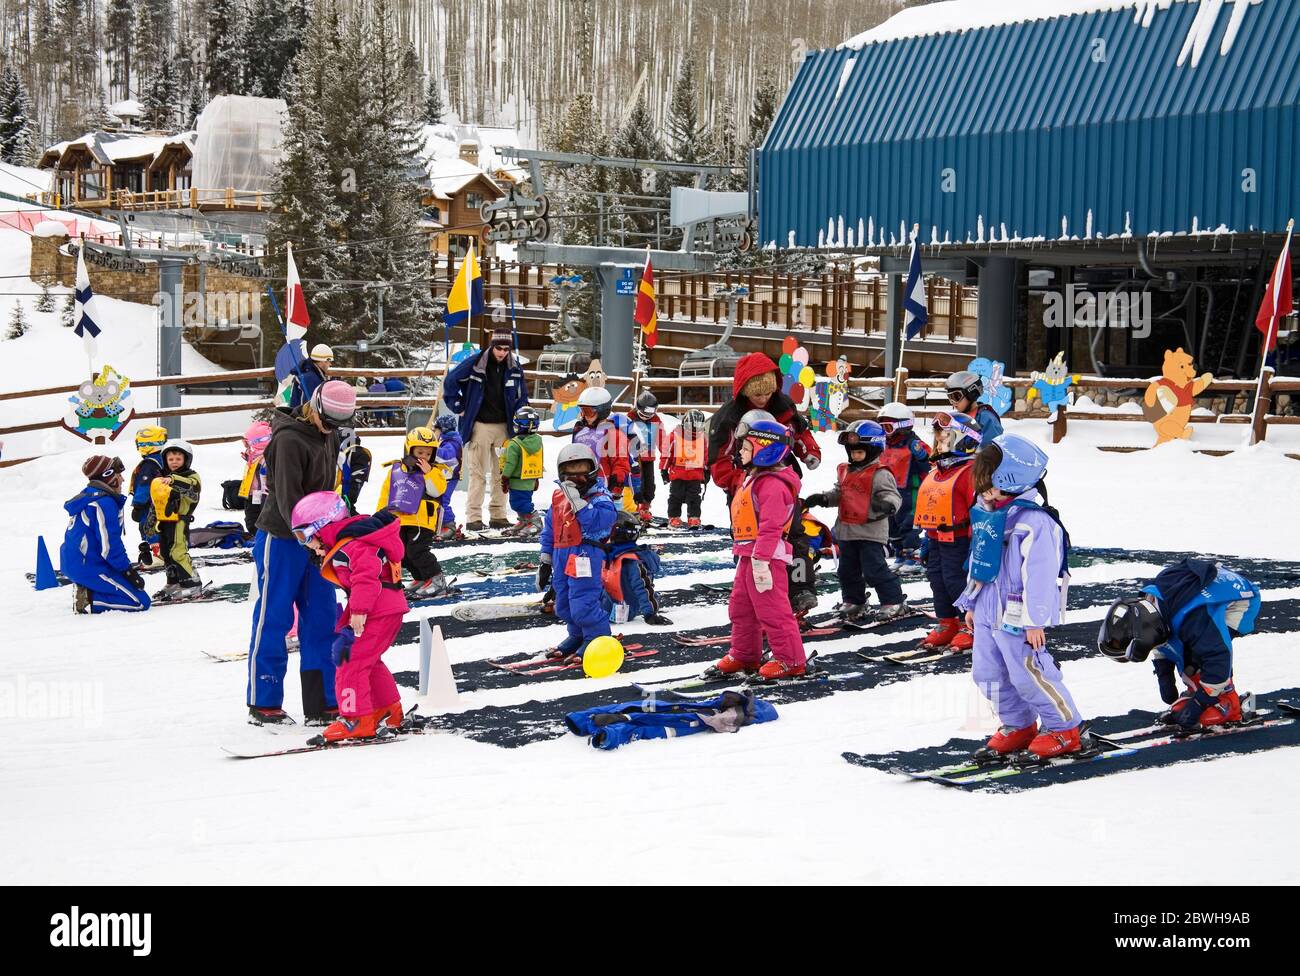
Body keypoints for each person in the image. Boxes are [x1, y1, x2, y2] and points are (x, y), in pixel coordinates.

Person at [958, 434, 1083, 760]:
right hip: (987, 611)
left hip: (1018, 615)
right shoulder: (989, 514)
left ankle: (1064, 727)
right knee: (987, 674)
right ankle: (1019, 724)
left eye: (990, 484)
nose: (984, 492)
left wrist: (1035, 619)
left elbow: (1040, 576)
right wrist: (971, 602)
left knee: (1029, 672)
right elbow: (978, 562)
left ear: (1011, 479)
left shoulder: (1035, 523)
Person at [246, 380, 357, 726]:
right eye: (329, 422)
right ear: (315, 408)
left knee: (322, 618)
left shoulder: (330, 434)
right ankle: (264, 701)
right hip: (283, 538)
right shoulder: (289, 440)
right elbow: (289, 497)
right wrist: (310, 538)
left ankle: (321, 701)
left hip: (319, 539)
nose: (333, 430)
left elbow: (326, 489)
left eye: (340, 425)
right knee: (274, 617)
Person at [289, 492, 409, 743]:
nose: (305, 544)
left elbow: (367, 577)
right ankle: (387, 710)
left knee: (348, 661)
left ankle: (356, 719)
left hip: (376, 610)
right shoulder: (350, 541)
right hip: (386, 608)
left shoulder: (352, 545)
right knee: (368, 660)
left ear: (322, 526)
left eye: (304, 536)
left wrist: (359, 610)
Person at [1098, 559, 1260, 729]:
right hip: (1203, 593)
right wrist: (1164, 672)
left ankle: (1229, 703)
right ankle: (1204, 691)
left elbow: (1218, 656)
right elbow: (1158, 638)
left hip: (1240, 601)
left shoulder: (1192, 618)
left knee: (1199, 655)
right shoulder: (1148, 605)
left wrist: (1199, 703)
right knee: (1185, 648)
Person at [710, 419, 807, 681]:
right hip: (747, 555)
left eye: (746, 447)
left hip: (766, 557)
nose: (740, 452)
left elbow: (771, 526)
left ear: (765, 450)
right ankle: (744, 654)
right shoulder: (754, 478)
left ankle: (791, 660)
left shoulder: (773, 484)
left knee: (773, 609)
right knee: (741, 607)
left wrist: (762, 560)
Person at [804, 419, 908, 623]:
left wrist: (887, 505)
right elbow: (839, 494)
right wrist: (824, 499)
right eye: (852, 452)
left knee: (874, 570)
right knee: (846, 570)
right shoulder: (846, 471)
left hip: (870, 532)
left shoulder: (880, 473)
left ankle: (893, 600)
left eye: (860, 452)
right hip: (847, 531)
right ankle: (854, 600)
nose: (855, 456)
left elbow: (893, 496)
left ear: (873, 450)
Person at [537, 444, 619, 663]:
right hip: (562, 556)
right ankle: (577, 636)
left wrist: (579, 504)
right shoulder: (558, 498)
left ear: (592, 469)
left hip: (585, 555)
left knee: (583, 603)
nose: (576, 476)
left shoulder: (600, 498)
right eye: (570, 470)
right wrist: (545, 560)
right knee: (563, 603)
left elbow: (600, 524)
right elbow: (550, 529)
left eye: (581, 468)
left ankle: (597, 639)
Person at [442, 327, 529, 530]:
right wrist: (459, 406)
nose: (502, 353)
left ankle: (498, 514)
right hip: (480, 425)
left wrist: (521, 417)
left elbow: (522, 395)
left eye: (506, 349)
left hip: (504, 427)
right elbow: (450, 381)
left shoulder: (515, 367)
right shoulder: (475, 363)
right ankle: (474, 517)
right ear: (492, 346)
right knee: (477, 473)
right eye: (499, 348)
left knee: (503, 473)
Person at [708, 352, 820, 500]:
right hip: (744, 479)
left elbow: (797, 431)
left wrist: (809, 451)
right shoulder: (730, 417)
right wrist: (736, 480)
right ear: (746, 391)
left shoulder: (782, 406)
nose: (763, 399)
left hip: (780, 473)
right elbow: (720, 456)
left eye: (768, 393)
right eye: (757, 395)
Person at [914, 411, 981, 651]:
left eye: (946, 436)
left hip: (960, 540)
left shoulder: (970, 472)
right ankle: (947, 621)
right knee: (937, 581)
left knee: (957, 582)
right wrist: (925, 542)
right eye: (938, 436)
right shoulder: (937, 472)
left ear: (965, 440)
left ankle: (969, 623)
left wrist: (977, 545)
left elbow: (979, 510)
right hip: (934, 538)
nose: (939, 440)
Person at [61, 455, 150, 614]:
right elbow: (109, 547)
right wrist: (127, 571)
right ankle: (89, 598)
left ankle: (88, 588)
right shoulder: (103, 503)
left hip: (80, 562)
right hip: (88, 566)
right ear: (108, 477)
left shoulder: (92, 494)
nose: (122, 480)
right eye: (119, 475)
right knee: (140, 602)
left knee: (135, 592)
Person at [377, 426, 455, 598]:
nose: (424, 457)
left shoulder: (435, 471)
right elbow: (387, 493)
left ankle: (436, 579)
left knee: (417, 551)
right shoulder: (397, 470)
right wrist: (380, 517)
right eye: (420, 452)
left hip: (422, 521)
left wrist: (429, 474)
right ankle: (421, 578)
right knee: (402, 554)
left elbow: (437, 491)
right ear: (409, 450)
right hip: (401, 520)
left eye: (428, 454)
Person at [877, 402, 931, 568]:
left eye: (888, 427)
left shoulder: (914, 444)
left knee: (908, 525)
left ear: (902, 426)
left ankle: (913, 556)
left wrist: (921, 456)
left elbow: (930, 466)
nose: (884, 432)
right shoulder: (883, 445)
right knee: (891, 526)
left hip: (911, 493)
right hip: (890, 493)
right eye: (882, 427)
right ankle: (900, 555)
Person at [150, 439, 203, 599]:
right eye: (171, 459)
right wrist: (151, 519)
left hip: (180, 520)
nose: (174, 462)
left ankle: (192, 584)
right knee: (166, 552)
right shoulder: (163, 477)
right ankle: (173, 581)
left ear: (186, 460)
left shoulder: (191, 476)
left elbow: (194, 486)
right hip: (165, 521)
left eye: (178, 459)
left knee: (178, 551)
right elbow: (158, 500)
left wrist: (173, 480)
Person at [600, 512, 672, 626]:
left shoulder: (631, 561)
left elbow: (643, 587)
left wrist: (650, 614)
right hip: (608, 602)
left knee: (581, 607)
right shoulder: (611, 555)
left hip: (620, 609)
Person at [571, 386, 632, 511]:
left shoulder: (613, 434)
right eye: (582, 411)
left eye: (588, 412)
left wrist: (616, 486)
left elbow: (620, 463)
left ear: (602, 411)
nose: (585, 416)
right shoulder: (580, 431)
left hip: (603, 487)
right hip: (580, 483)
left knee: (603, 517)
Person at [499, 405, 544, 537]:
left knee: (519, 503)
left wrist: (505, 477)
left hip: (517, 480)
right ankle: (524, 521)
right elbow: (537, 460)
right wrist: (536, 478)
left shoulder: (514, 443)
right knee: (524, 500)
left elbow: (511, 462)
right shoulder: (538, 441)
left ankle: (535, 521)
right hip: (529, 479)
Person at [661, 409, 708, 528]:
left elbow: (706, 456)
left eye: (698, 426)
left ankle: (694, 517)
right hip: (678, 474)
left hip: (695, 475)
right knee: (675, 497)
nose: (694, 429)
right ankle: (674, 517)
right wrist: (664, 469)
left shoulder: (702, 438)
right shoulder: (676, 435)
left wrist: (707, 470)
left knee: (694, 498)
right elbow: (667, 453)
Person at [128, 425, 168, 567]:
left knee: (149, 527)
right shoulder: (163, 460)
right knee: (159, 526)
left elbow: (144, 486)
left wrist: (138, 505)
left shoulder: (149, 465)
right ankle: (163, 552)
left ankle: (159, 555)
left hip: (148, 504)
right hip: (161, 502)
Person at [628, 391, 669, 524]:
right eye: (643, 415)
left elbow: (662, 439)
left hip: (649, 457)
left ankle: (646, 506)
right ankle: (637, 506)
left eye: (649, 415)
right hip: (634, 458)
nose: (646, 418)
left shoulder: (656, 421)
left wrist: (666, 453)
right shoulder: (630, 418)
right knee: (638, 483)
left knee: (650, 485)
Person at [945, 370, 1003, 446]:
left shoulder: (986, 419)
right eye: (950, 397)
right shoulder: (956, 419)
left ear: (971, 394)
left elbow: (992, 449)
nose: (952, 402)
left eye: (956, 396)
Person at [237, 420, 272, 537]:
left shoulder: (267, 456)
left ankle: (260, 538)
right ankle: (257, 537)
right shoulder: (255, 453)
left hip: (262, 494)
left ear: (256, 441)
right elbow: (252, 456)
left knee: (256, 519)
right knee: (252, 518)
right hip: (252, 493)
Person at [433, 412, 464, 538]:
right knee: (437, 500)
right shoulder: (448, 440)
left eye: (436, 429)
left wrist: (432, 448)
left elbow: (446, 455)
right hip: (445, 476)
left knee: (442, 501)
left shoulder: (451, 443)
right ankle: (439, 524)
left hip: (450, 477)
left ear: (443, 429)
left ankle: (449, 525)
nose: (434, 432)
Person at [336, 427, 372, 515]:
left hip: (341, 502)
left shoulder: (357, 453)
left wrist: (348, 498)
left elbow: (357, 480)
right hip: (328, 501)